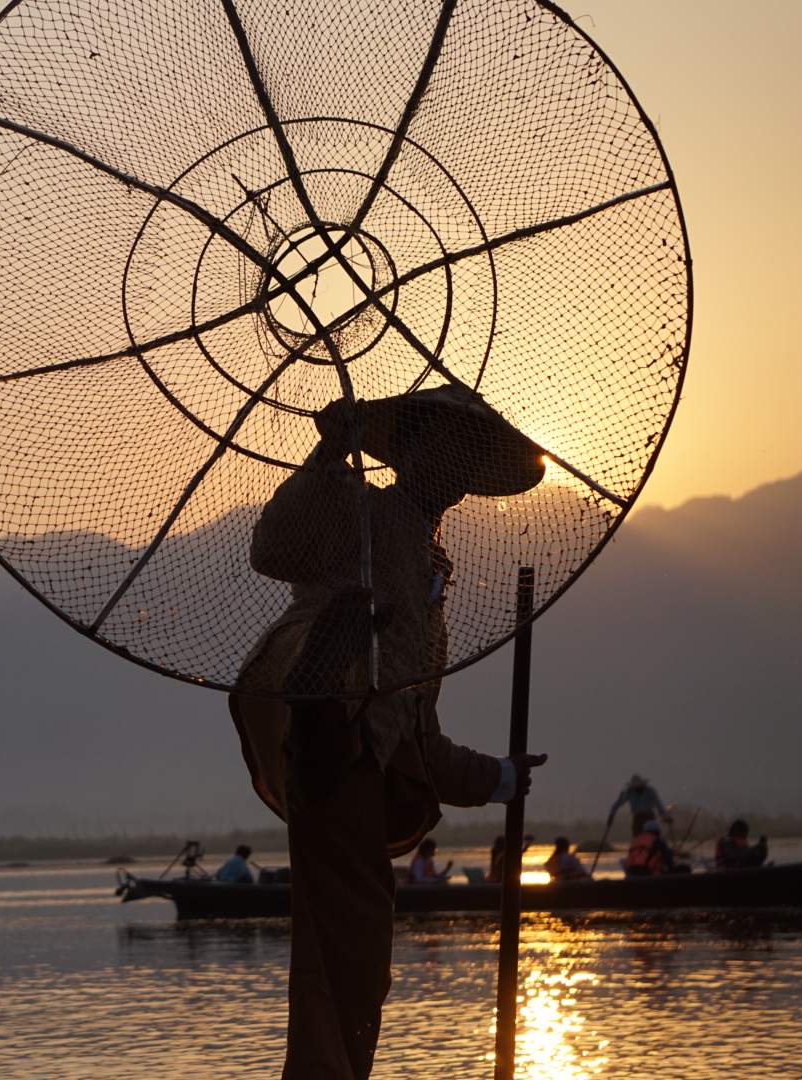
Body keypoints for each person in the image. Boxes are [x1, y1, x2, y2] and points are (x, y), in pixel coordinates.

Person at [228, 385, 549, 1080]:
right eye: (448, 448)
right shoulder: (362, 510)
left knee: (360, 953)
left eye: (471, 458)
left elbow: (416, 726)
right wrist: (328, 452)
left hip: (373, 760)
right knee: (341, 948)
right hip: (326, 730)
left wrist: (498, 777)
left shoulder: (433, 569)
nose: (457, 469)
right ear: (411, 449)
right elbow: (275, 546)